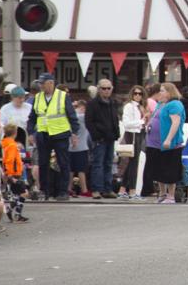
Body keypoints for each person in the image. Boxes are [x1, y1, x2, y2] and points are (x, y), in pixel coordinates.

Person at [28, 73, 78, 202]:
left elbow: (72, 115)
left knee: (63, 163)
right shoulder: (38, 97)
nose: (40, 86)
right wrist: (30, 133)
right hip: (43, 134)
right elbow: (32, 117)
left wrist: (74, 133)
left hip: (60, 133)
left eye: (42, 83)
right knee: (43, 163)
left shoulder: (62, 96)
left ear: (50, 83)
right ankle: (45, 190)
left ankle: (62, 192)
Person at [85, 79, 121, 199]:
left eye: (108, 88)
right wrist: (96, 136)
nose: (106, 91)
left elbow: (115, 119)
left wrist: (117, 134)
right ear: (99, 89)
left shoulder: (112, 102)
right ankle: (96, 189)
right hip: (99, 139)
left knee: (109, 164)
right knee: (97, 164)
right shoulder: (92, 104)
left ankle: (107, 189)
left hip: (111, 138)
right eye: (103, 88)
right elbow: (89, 122)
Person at [154, 82, 186, 204]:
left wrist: (168, 139)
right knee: (162, 167)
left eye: (162, 90)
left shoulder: (175, 104)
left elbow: (175, 122)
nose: (160, 93)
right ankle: (164, 193)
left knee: (171, 168)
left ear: (169, 92)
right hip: (160, 142)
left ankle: (171, 196)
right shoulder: (162, 104)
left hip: (172, 142)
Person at [119, 85, 146, 200]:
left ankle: (122, 190)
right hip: (132, 134)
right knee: (133, 164)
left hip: (139, 134)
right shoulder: (129, 106)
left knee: (132, 163)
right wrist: (141, 121)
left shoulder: (140, 107)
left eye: (140, 94)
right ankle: (132, 191)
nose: (138, 96)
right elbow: (126, 123)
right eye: (135, 93)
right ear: (132, 94)